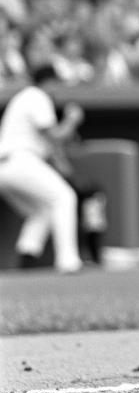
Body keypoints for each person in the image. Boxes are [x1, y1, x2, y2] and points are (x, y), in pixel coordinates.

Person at [0, 64, 84, 272]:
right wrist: (72, 120)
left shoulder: (25, 97)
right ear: (48, 81)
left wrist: (62, 165)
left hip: (8, 166)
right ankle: (69, 261)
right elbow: (54, 135)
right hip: (20, 161)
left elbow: (48, 145)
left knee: (41, 211)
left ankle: (26, 261)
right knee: (65, 198)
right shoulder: (37, 96)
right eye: (57, 83)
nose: (58, 89)